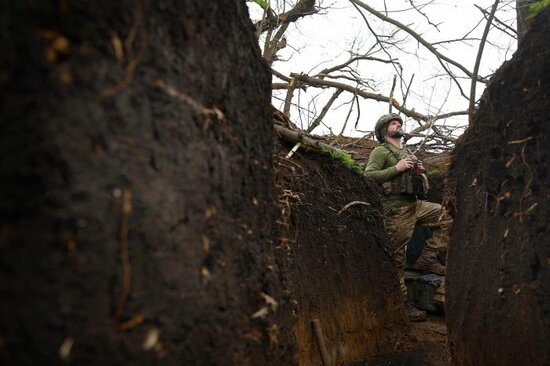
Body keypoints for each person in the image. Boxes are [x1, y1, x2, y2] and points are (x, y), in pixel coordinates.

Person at [364, 113, 452, 322]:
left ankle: (427, 259)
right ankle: (402, 305)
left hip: (415, 204)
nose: (399, 125)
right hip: (396, 208)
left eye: (400, 123)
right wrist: (397, 168)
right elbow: (368, 175)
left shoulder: (407, 152)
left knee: (447, 216)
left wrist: (419, 172)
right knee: (397, 258)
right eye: (394, 123)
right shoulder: (380, 151)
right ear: (385, 130)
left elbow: (416, 180)